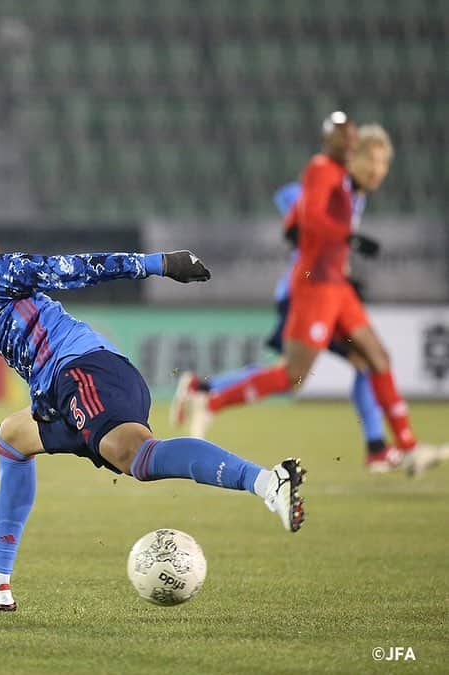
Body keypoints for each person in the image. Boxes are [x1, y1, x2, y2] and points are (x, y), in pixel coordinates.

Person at [0, 193, 306, 613]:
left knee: (134, 456)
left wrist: (159, 264)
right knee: (12, 438)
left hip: (85, 370)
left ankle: (267, 481)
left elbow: (73, 269)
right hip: (62, 394)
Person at [178, 119, 441, 476]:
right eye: (373, 161)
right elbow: (298, 204)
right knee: (293, 375)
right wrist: (331, 234)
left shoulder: (351, 191)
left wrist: (335, 247)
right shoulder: (328, 174)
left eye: (385, 164)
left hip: (335, 285)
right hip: (313, 285)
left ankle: (403, 448)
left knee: (376, 357)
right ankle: (209, 399)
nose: (379, 171)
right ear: (353, 156)